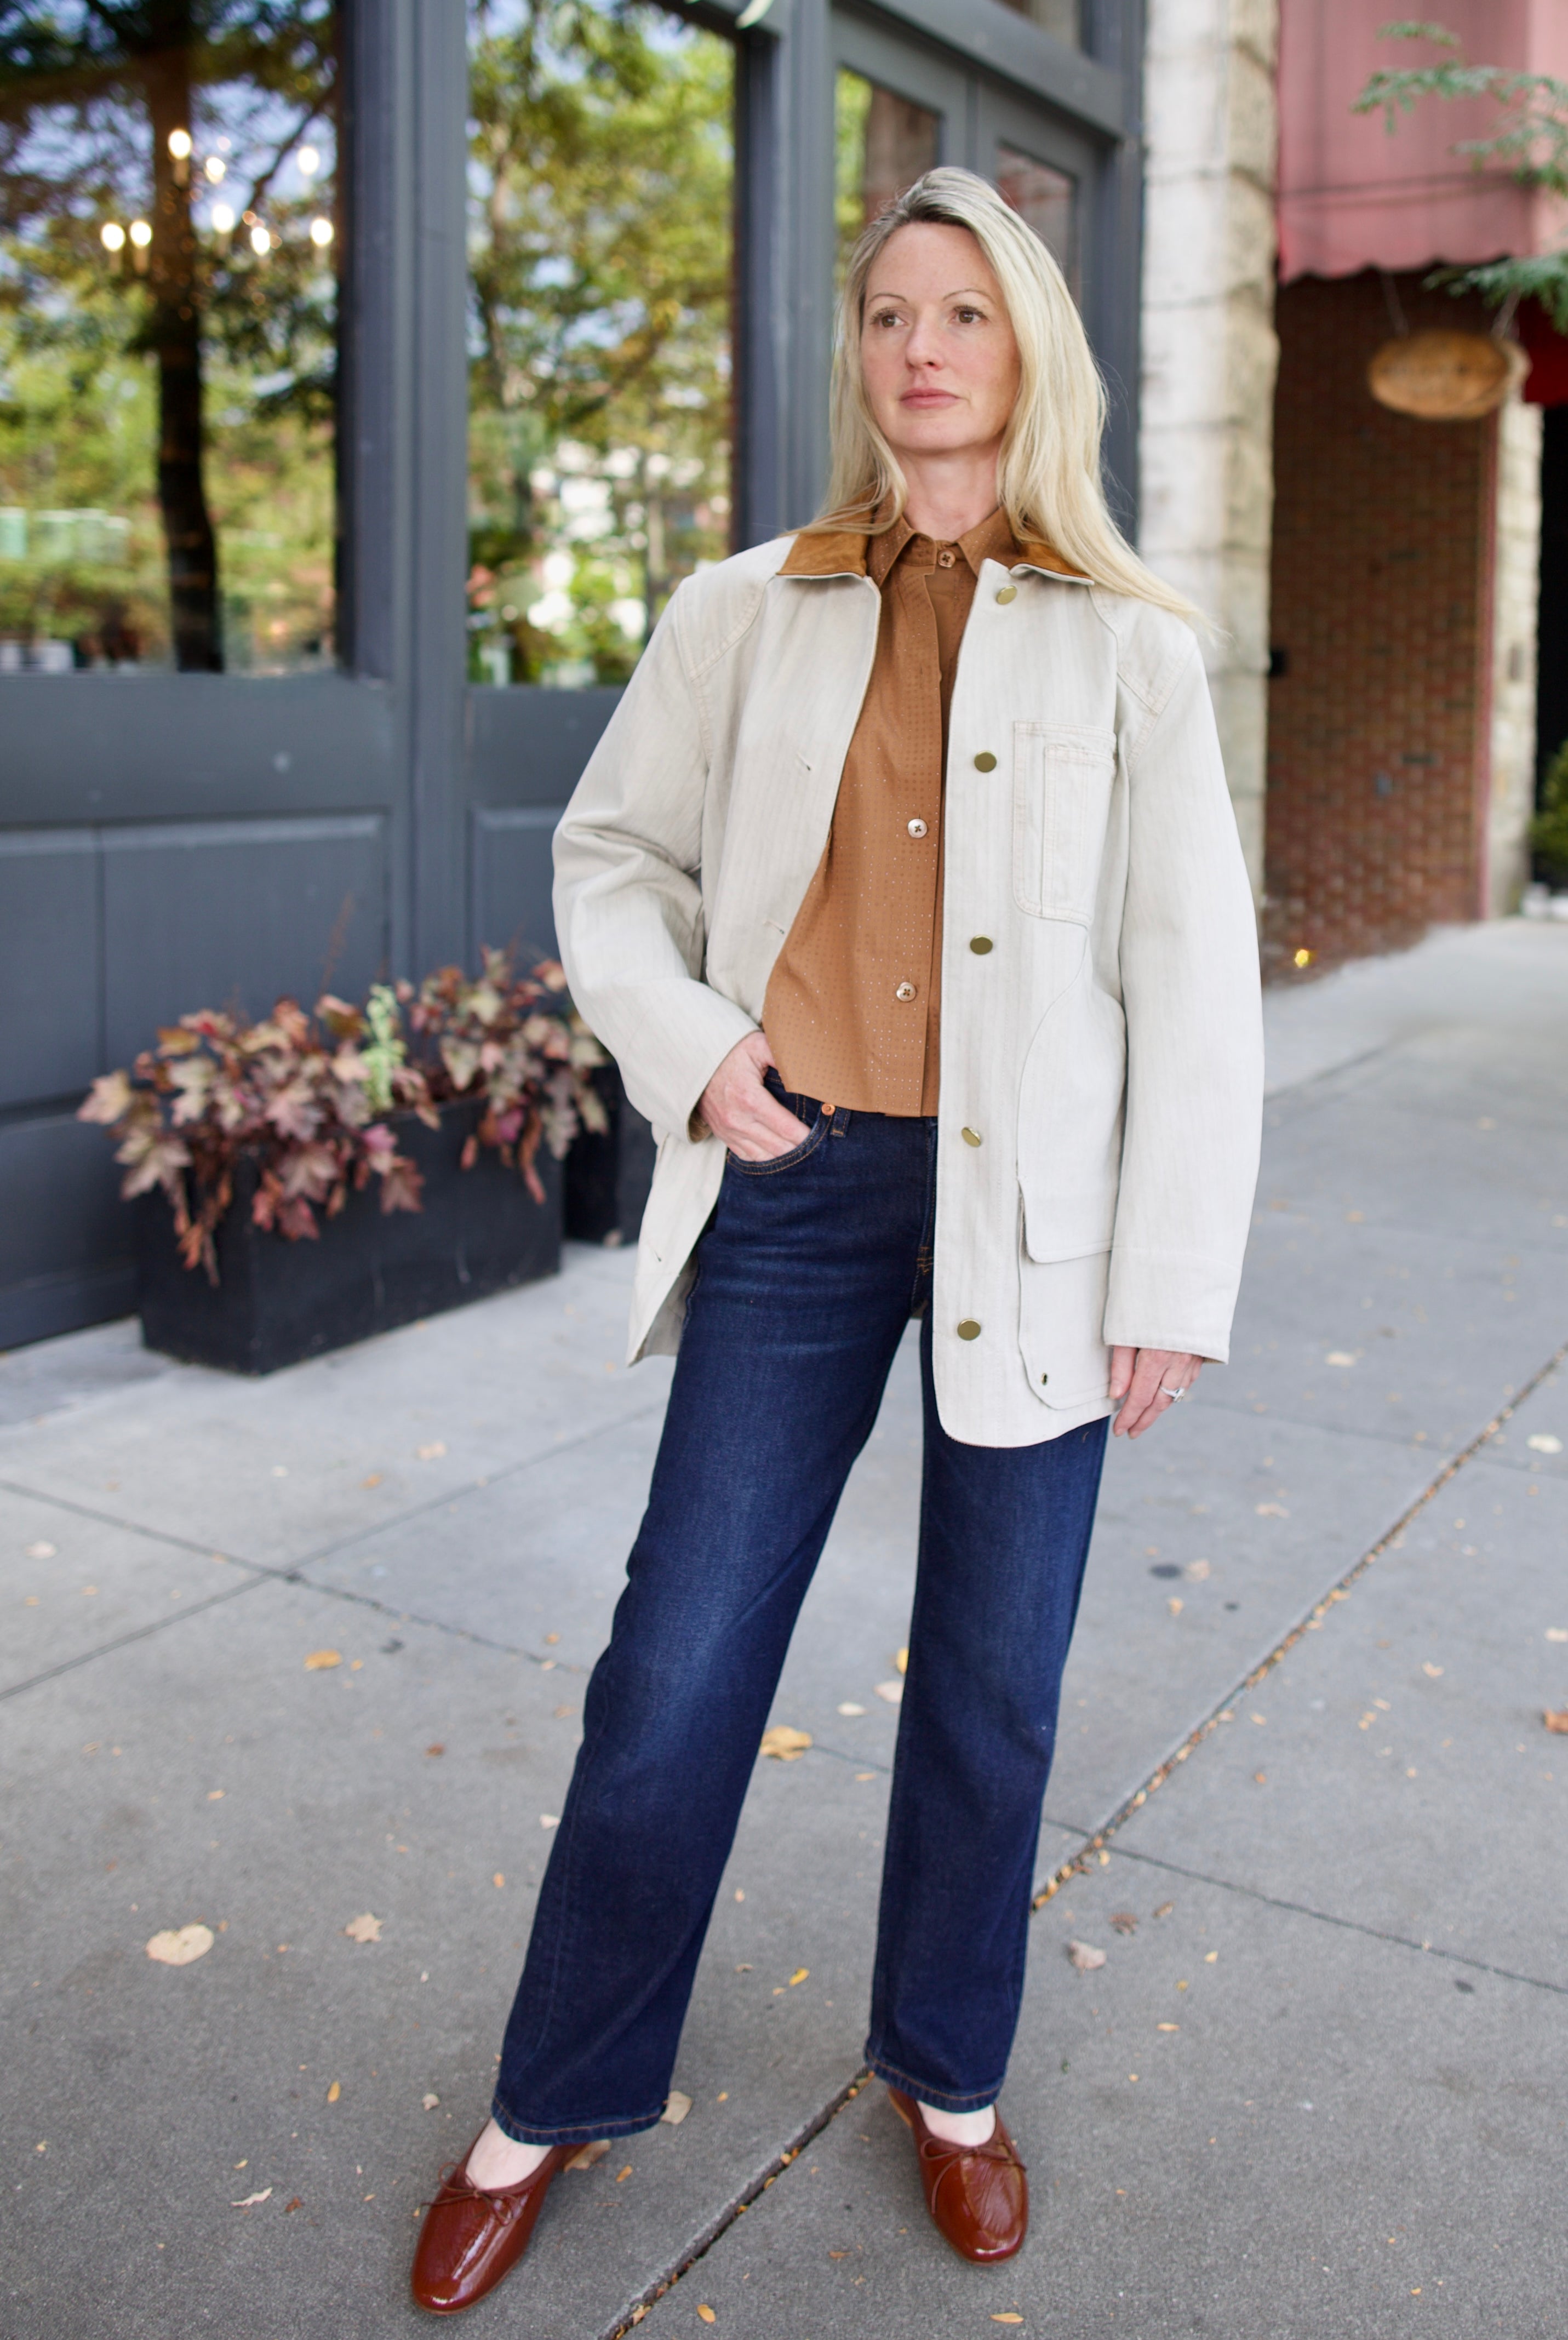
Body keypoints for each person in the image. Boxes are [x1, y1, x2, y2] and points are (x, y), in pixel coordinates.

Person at [411, 165, 1262, 2316]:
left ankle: (947, 2077)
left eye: (960, 312)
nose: (917, 348)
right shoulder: (741, 608)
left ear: (1024, 352)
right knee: (676, 1672)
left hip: (1038, 1226)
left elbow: (1192, 988)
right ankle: (553, 2097)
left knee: (990, 1689)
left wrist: (1168, 1278)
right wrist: (693, 1049)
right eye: (887, 310)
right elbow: (610, 859)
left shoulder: (1131, 647)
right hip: (790, 1187)